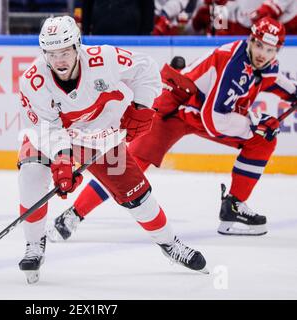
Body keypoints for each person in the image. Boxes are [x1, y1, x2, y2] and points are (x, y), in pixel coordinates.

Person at [48, 17, 297, 242]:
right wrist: (255, 122)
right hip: (173, 110)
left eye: (270, 49)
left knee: (263, 140)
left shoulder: (265, 65)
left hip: (199, 112)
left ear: (277, 51)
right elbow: (215, 120)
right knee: (126, 166)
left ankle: (233, 207)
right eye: (260, 45)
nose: (263, 54)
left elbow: (275, 81)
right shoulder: (234, 63)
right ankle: (73, 214)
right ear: (250, 40)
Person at [17, 15, 208, 284]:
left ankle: (170, 244)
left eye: (64, 51)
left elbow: (146, 68)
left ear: (77, 46)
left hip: (99, 137)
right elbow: (47, 128)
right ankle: (34, 244)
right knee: (31, 173)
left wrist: (142, 107)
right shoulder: (32, 81)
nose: (58, 60)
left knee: (138, 197)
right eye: (51, 53)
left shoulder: (103, 59)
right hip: (50, 138)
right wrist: (62, 161)